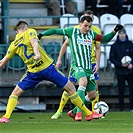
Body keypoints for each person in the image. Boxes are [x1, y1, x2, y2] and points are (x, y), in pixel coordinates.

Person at [0, 20, 104, 123]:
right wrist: (37, 54)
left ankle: (6, 116)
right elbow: (34, 43)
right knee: (71, 88)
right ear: (26, 28)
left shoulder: (13, 44)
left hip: (33, 73)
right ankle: (88, 113)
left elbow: (2, 63)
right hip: (48, 69)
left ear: (17, 32)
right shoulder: (30, 31)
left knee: (15, 93)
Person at [38, 16, 123, 119]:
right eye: (85, 26)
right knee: (82, 82)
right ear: (80, 24)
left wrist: (115, 31)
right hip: (77, 66)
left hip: (88, 68)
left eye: (89, 26)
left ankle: (73, 112)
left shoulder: (91, 34)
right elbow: (55, 30)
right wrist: (42, 34)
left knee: (92, 95)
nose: (87, 28)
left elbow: (104, 39)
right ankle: (79, 113)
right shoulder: (72, 31)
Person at [51, 10, 101, 121]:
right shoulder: (75, 30)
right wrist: (59, 59)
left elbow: (98, 48)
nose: (88, 22)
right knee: (70, 86)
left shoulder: (95, 31)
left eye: (90, 18)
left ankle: (85, 111)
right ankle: (60, 110)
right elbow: (65, 44)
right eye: (86, 18)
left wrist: (97, 62)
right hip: (77, 63)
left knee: (93, 90)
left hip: (90, 63)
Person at [110, 28, 133, 111]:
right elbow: (112, 58)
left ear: (125, 34)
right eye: (120, 33)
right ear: (118, 35)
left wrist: (131, 64)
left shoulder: (130, 44)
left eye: (123, 33)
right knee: (121, 90)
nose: (122, 35)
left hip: (130, 71)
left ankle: (131, 107)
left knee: (132, 89)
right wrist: (120, 64)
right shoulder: (114, 46)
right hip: (120, 71)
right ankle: (121, 108)